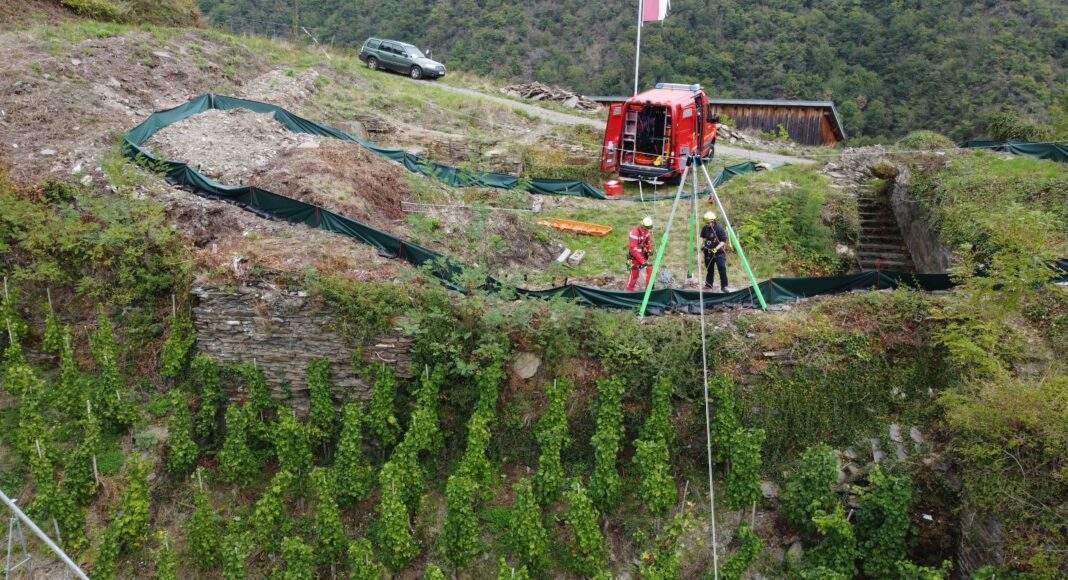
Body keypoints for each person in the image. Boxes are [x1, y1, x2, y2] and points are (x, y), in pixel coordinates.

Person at [701, 211, 729, 292]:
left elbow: (723, 241)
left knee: (722, 268)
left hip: (719, 253)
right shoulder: (705, 228)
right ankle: (708, 285)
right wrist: (701, 245)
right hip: (708, 252)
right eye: (706, 223)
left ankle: (724, 286)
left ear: (713, 221)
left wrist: (716, 248)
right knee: (709, 269)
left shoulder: (719, 228)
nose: (707, 224)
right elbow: (702, 237)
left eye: (708, 222)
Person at [626, 216, 654, 291]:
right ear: (642, 226)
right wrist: (643, 261)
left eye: (648, 228)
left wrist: (650, 249)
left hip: (643, 256)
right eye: (646, 228)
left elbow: (648, 242)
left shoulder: (647, 232)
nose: (647, 230)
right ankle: (629, 290)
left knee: (650, 269)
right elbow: (633, 249)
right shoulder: (634, 233)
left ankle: (649, 289)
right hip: (635, 258)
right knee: (634, 274)